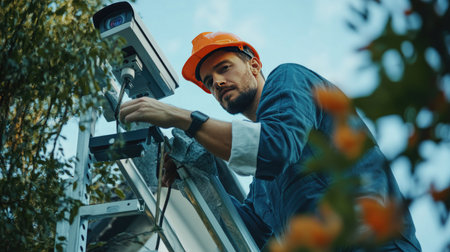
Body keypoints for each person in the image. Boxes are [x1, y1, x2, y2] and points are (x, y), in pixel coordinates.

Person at [119, 32, 421, 251]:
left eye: (224, 68)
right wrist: (194, 178)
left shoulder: (290, 78)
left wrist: (184, 118)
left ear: (253, 65)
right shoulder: (264, 185)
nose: (218, 83)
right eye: (210, 82)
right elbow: (254, 236)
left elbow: (274, 147)